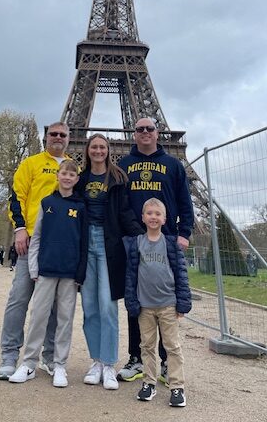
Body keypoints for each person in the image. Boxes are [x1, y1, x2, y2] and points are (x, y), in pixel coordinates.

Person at [117, 117, 194, 384]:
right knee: (135, 299)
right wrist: (130, 234)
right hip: (135, 242)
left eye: (150, 128)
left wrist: (184, 233)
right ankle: (137, 357)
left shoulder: (173, 164)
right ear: (134, 134)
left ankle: (163, 361)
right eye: (140, 129)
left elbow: (185, 200)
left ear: (157, 132)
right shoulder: (124, 164)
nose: (145, 132)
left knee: (166, 299)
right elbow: (120, 203)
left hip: (167, 239)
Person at [0, 122, 71, 381]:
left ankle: (49, 357)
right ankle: (9, 356)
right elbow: (17, 196)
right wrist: (19, 228)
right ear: (46, 137)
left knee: (52, 305)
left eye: (63, 135)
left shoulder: (73, 167)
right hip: (30, 241)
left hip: (59, 245)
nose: (58, 138)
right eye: (54, 134)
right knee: (19, 298)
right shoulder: (31, 164)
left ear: (69, 139)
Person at [9, 160, 87, 388]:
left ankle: (59, 363)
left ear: (77, 179)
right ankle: (29, 362)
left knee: (65, 319)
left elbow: (84, 242)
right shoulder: (46, 203)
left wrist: (80, 273)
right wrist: (34, 268)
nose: (67, 177)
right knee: (39, 317)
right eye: (64, 173)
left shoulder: (81, 207)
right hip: (46, 269)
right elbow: (38, 238)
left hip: (69, 273)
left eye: (72, 174)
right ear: (58, 175)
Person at [75, 133, 143, 390]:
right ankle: (96, 361)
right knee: (90, 306)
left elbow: (125, 211)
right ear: (88, 150)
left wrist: (142, 237)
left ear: (108, 150)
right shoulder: (80, 180)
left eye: (102, 147)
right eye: (94, 147)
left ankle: (109, 363)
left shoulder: (117, 178)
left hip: (109, 243)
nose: (98, 151)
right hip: (86, 244)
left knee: (108, 305)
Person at [124, 198, 192, 407]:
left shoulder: (171, 244)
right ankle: (149, 382)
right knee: (147, 346)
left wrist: (182, 303)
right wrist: (131, 302)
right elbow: (131, 276)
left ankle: (177, 386)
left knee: (172, 346)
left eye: (157, 213)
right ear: (143, 217)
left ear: (164, 218)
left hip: (168, 304)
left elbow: (181, 274)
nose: (153, 217)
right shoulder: (136, 243)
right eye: (149, 213)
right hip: (145, 305)